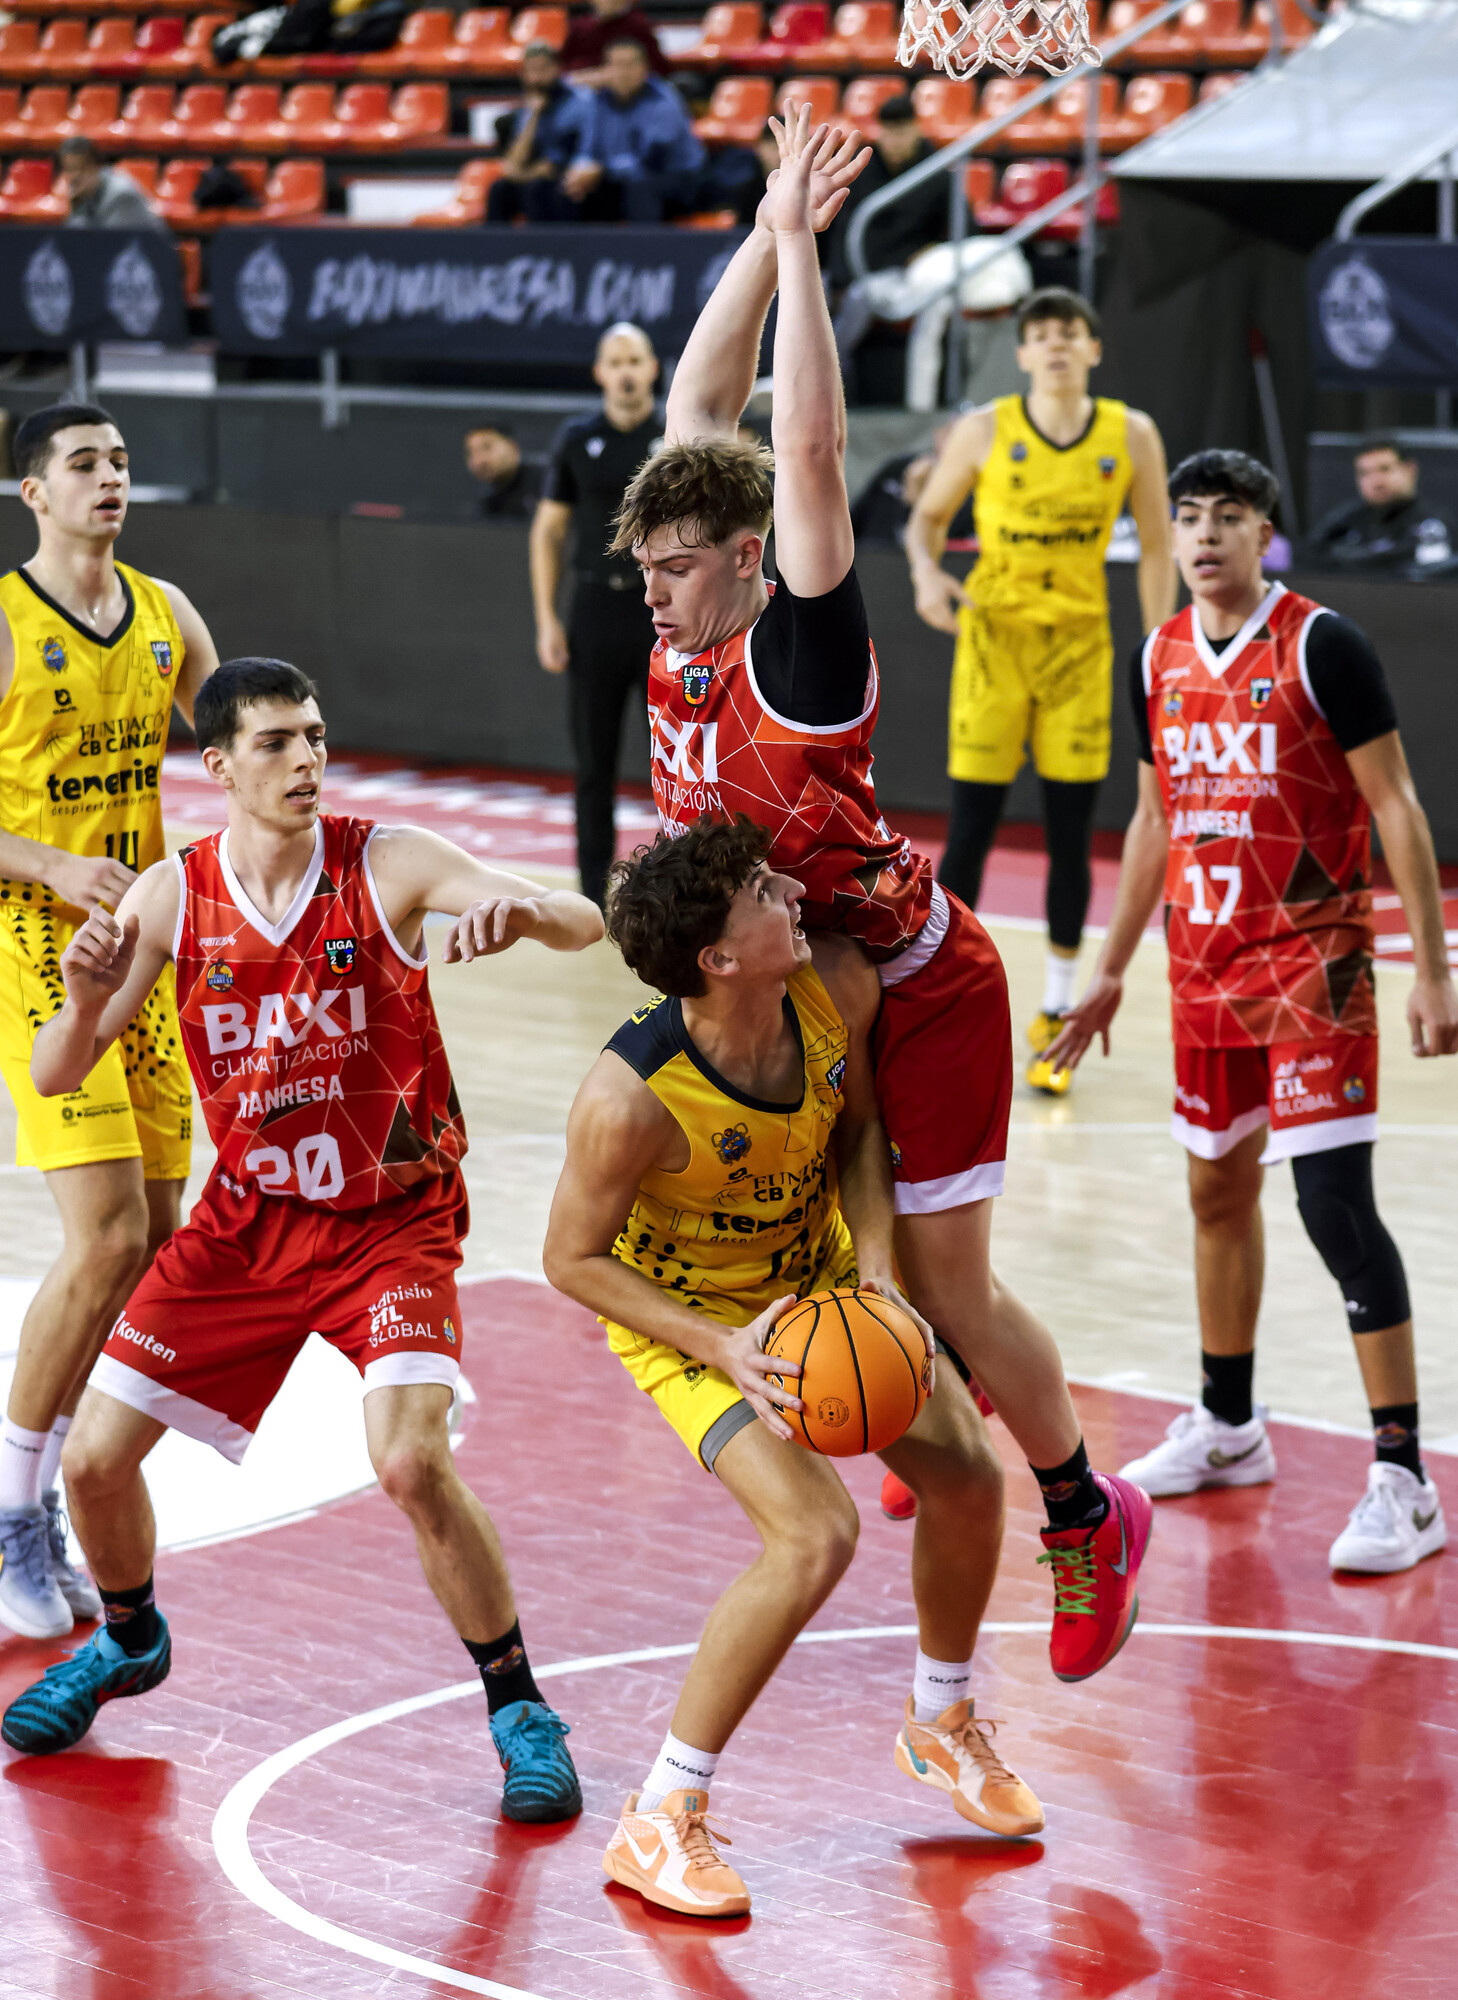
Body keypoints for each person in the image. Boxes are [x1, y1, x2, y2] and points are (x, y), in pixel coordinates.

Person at [613, 107, 1153, 1683]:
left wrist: (801, 247)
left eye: (674, 568)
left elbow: (799, 451)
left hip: (918, 982)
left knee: (942, 1281)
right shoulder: (682, 615)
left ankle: (1088, 1510)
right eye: (645, 570)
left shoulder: (797, 653)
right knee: (850, 1272)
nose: (650, 591)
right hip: (807, 982)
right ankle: (937, 1404)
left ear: (748, 563)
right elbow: (704, 409)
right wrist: (754, 224)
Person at [1, 656, 602, 1816]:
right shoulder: (171, 896)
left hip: (390, 1224)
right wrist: (78, 999)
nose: (306, 759)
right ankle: (129, 1635)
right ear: (219, 765)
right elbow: (59, 1070)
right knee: (93, 1462)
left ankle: (521, 1705)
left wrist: (522, 910)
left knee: (410, 1460)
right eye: (276, 742)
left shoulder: (388, 862)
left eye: (316, 736)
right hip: (244, 1228)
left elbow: (582, 920)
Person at [544, 817, 1039, 1917]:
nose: (795, 895)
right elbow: (569, 1259)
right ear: (718, 957)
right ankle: (660, 1814)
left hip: (817, 1280)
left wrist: (877, 1269)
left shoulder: (835, 988)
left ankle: (941, 1718)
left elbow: (860, 1129)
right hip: (696, 1321)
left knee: (970, 1476)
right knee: (816, 1534)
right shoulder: (629, 1099)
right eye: (766, 892)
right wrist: (721, 1346)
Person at [1047, 450, 1458, 1574]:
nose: (1204, 535)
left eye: (1228, 516)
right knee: (1215, 1191)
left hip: (1319, 962)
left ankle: (1405, 1477)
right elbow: (1151, 820)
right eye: (1188, 517)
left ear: (1265, 533)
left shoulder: (1324, 644)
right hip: (1203, 966)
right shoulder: (1158, 655)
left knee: (1334, 1208)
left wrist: (1432, 972)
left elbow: (1398, 806)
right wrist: (1110, 969)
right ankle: (1229, 1424)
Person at [0, 403, 219, 1644]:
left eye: (122, 461)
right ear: (32, 491)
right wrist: (47, 862)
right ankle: (10, 1510)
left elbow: (236, 743)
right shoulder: (5, 619)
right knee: (107, 1234)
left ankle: (56, 1486)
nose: (110, 478)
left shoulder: (165, 612)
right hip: (36, 943)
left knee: (153, 1246)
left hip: (143, 944)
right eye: (83, 463)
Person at [905, 288, 1175, 1094]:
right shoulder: (987, 429)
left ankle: (1056, 1009)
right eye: (1042, 335)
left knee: (1069, 831)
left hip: (1079, 650)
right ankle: (941, 999)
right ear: (1022, 354)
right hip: (994, 641)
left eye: (1070, 333)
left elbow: (1157, 545)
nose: (1056, 345)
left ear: (1093, 349)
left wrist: (1162, 648)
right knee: (972, 826)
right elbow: (925, 520)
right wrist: (925, 574)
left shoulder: (1131, 433)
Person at [531, 323, 661, 910]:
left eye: (635, 359)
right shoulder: (577, 437)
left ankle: (678, 889)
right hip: (594, 609)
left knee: (678, 758)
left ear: (652, 368)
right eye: (616, 361)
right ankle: (590, 894)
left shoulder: (674, 435)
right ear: (600, 373)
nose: (626, 371)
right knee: (593, 761)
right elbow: (548, 530)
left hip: (662, 613)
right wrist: (547, 619)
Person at [562, 41, 707, 225]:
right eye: (616, 65)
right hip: (618, 176)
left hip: (677, 178)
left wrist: (602, 170)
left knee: (640, 184)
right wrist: (579, 169)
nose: (623, 72)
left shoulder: (663, 101)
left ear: (644, 69)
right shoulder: (599, 101)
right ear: (605, 70)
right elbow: (587, 149)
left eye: (630, 65)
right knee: (569, 188)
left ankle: (644, 243)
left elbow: (652, 159)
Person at [1306, 436, 1453, 575]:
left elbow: (1426, 573)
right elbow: (1308, 555)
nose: (1376, 481)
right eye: (1364, 473)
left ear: (1410, 470)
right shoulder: (1347, 519)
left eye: (1385, 469)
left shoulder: (1431, 523)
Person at [484, 43, 592, 226]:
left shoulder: (578, 103)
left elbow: (555, 165)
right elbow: (513, 165)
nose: (537, 77)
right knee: (500, 189)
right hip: (534, 175)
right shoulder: (528, 109)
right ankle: (494, 243)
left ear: (557, 69)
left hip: (571, 176)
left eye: (543, 69)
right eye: (531, 71)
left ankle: (546, 245)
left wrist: (527, 173)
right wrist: (534, 115)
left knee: (538, 189)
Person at [58, 138, 167, 232]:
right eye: (68, 169)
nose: (73, 177)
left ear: (95, 167)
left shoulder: (121, 194)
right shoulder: (81, 193)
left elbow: (109, 243)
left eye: (78, 169)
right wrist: (76, 209)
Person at [559, 0, 668, 83]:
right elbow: (561, 66)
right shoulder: (579, 27)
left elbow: (658, 70)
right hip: (579, 89)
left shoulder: (638, 26)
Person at [464, 423, 540, 519]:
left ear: (512, 446)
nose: (478, 461)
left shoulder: (549, 480)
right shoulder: (488, 503)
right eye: (470, 452)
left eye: (487, 447)